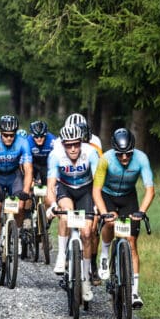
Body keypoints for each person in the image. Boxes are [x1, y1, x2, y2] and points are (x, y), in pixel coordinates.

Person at [93, 128, 155, 309]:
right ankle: (104, 254)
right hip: (108, 196)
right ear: (114, 151)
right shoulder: (105, 159)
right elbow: (96, 190)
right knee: (110, 222)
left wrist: (141, 212)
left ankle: (134, 292)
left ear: (133, 150)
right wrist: (104, 212)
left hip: (128, 197)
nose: (125, 158)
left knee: (131, 241)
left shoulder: (141, 158)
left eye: (128, 154)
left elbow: (150, 190)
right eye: (121, 155)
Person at [45, 123, 106, 302]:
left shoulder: (90, 153)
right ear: (63, 144)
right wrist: (52, 205)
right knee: (66, 212)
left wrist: (97, 208)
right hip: (65, 189)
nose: (73, 148)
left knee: (87, 233)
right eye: (68, 145)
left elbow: (98, 183)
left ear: (81, 142)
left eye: (76, 144)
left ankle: (86, 279)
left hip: (86, 190)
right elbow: (50, 187)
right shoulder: (55, 155)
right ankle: (62, 254)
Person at [0, 115, 34, 269]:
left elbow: (28, 169)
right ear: (1, 133)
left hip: (14, 176)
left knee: (19, 207)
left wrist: (25, 191)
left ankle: (15, 233)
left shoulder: (23, 143)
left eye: (12, 135)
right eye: (5, 135)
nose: (9, 138)